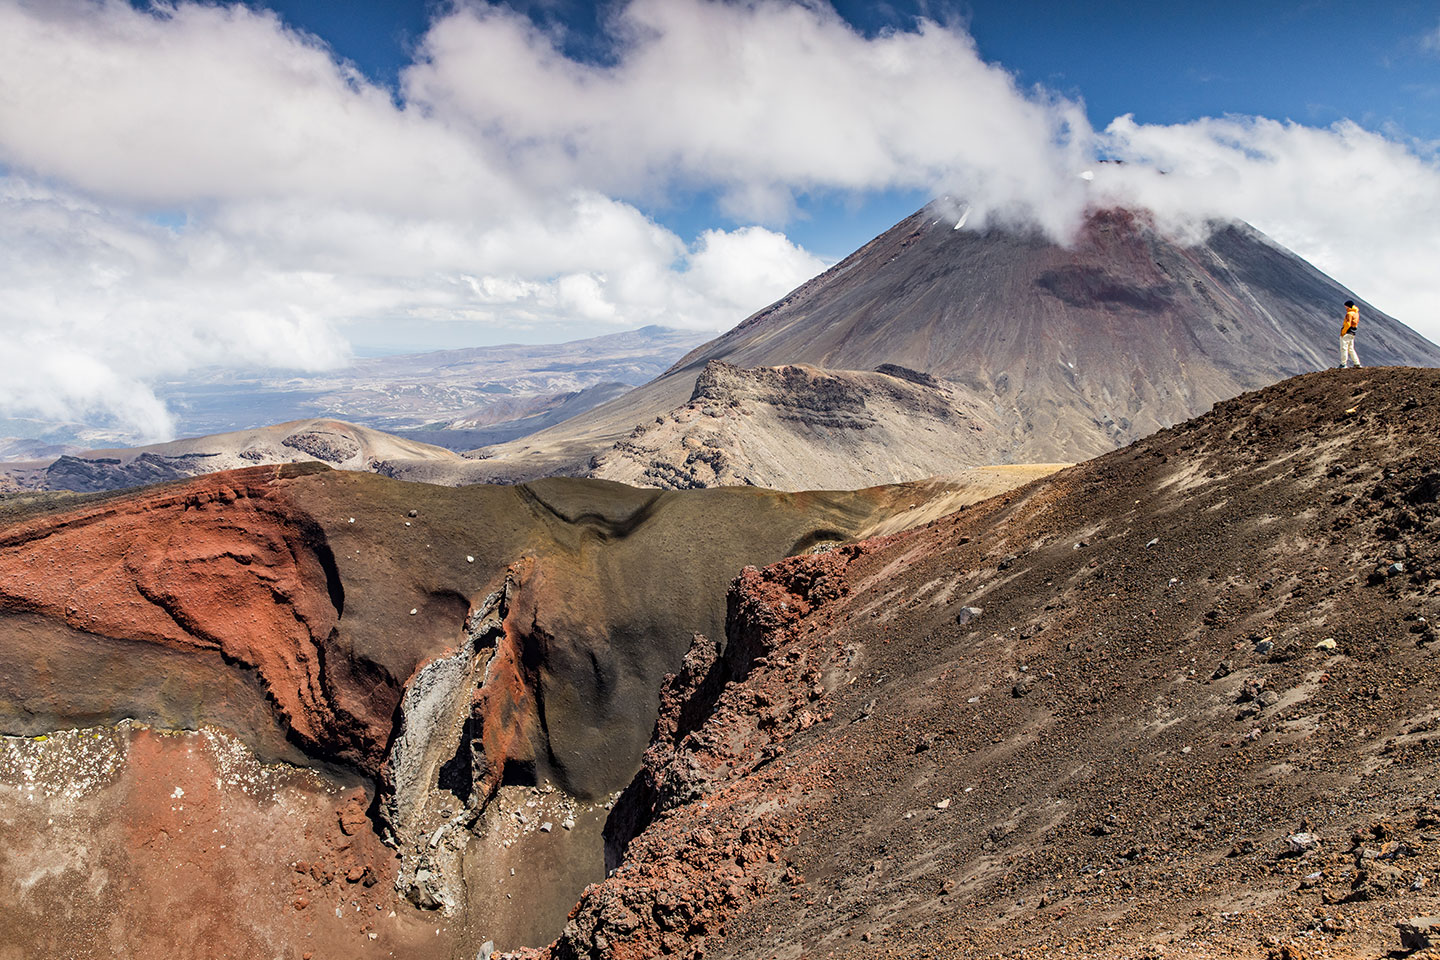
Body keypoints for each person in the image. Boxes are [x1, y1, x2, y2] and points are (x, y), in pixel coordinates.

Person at [1339, 300, 1361, 369]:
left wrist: (1343, 332)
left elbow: (1348, 324)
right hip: (1352, 333)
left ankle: (1343, 364)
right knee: (1351, 348)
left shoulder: (1349, 314)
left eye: (1345, 306)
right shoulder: (1356, 313)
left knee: (1344, 348)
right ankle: (1357, 363)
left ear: (1348, 306)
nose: (1345, 307)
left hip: (1347, 333)